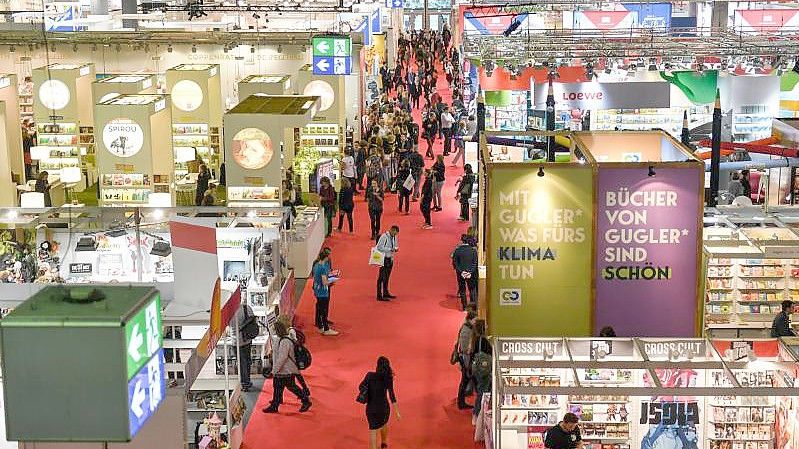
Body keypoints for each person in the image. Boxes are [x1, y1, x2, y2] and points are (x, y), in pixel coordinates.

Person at [263, 321, 312, 413]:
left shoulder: (285, 341)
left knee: (290, 387)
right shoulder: (281, 339)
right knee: (278, 387)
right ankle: (275, 404)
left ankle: (305, 400)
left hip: (285, 370)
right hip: (283, 370)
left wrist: (274, 371)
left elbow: (282, 358)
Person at [360, 356, 400, 449]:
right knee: (384, 424)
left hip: (371, 408)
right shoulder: (388, 379)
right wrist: (397, 412)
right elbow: (392, 396)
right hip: (384, 408)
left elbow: (361, 386)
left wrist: (368, 392)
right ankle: (384, 443)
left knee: (373, 430)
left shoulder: (369, 375)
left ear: (377, 366)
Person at [313, 249, 339, 336]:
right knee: (323, 310)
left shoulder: (316, 265)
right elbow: (324, 282)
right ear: (326, 257)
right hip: (322, 291)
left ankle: (321, 327)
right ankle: (326, 329)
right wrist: (332, 280)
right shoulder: (323, 267)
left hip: (317, 289)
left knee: (320, 309)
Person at [232, 302, 256, 392]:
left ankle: (245, 383)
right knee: (247, 360)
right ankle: (247, 380)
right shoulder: (247, 308)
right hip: (247, 338)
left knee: (242, 363)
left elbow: (229, 325)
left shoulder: (230, 312)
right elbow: (253, 320)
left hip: (236, 340)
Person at [456, 309, 477, 409]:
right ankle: (461, 402)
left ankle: (461, 400)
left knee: (465, 380)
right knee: (465, 380)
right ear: (470, 320)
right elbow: (465, 348)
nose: (476, 322)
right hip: (465, 359)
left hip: (465, 358)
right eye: (475, 320)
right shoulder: (467, 331)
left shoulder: (467, 328)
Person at [452, 234, 478, 310]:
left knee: (462, 289)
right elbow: (475, 262)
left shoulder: (457, 250)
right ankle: (473, 307)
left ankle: (464, 307)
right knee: (472, 289)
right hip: (471, 274)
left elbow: (455, 262)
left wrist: (461, 272)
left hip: (460, 274)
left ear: (462, 240)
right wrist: (470, 272)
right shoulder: (473, 251)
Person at [376, 225, 399, 301]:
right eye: (394, 233)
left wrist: (395, 249)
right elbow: (379, 247)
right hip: (384, 259)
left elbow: (395, 245)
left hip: (390, 259)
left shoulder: (395, 237)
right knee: (381, 277)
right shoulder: (384, 236)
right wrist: (389, 249)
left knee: (387, 277)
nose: (395, 235)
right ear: (392, 230)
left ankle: (385, 292)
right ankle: (379, 295)